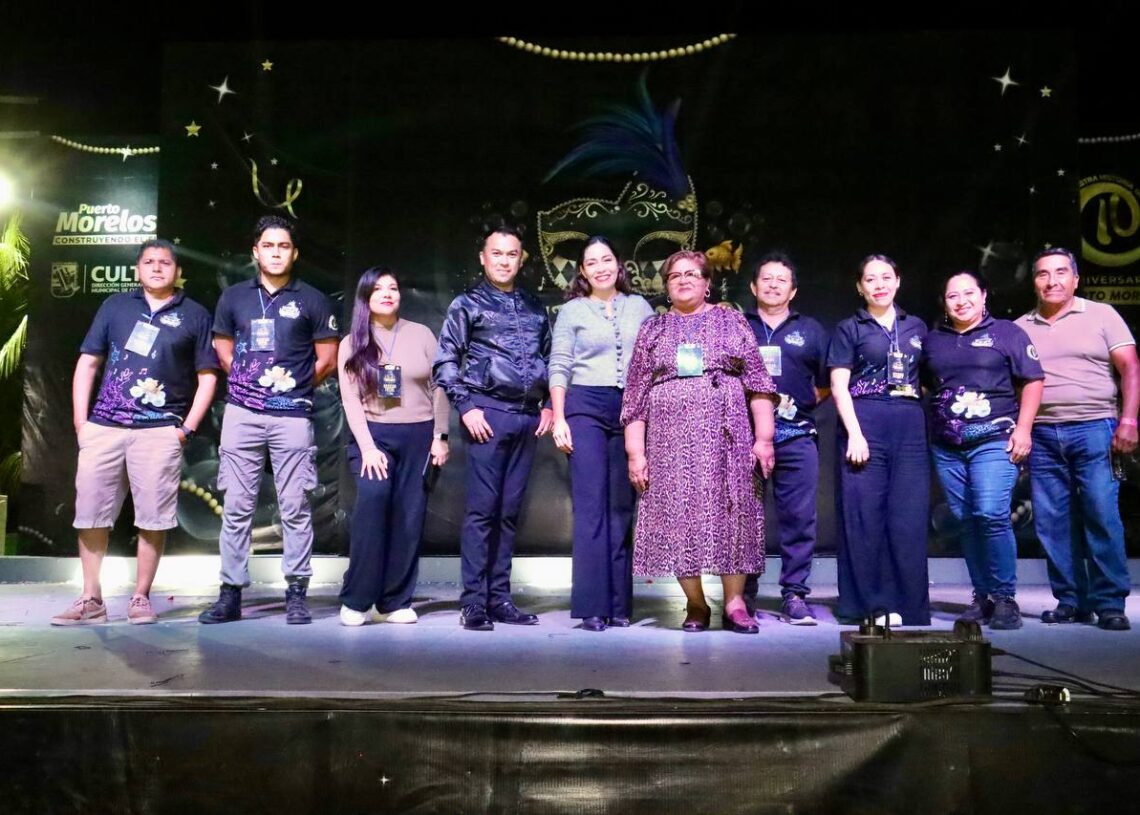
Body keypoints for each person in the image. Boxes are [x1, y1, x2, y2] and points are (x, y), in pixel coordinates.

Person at [52, 239, 218, 625]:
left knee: (153, 519)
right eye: (149, 262)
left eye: (165, 262)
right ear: (137, 269)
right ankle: (91, 598)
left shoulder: (194, 314)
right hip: (104, 427)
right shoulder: (115, 306)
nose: (157, 268)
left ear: (178, 271)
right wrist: (81, 423)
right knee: (91, 515)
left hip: (159, 432)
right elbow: (87, 363)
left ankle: (141, 597)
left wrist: (186, 429)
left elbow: (208, 376)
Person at [621, 249, 777, 634]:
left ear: (707, 283)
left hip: (727, 437)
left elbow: (758, 384)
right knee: (679, 517)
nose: (683, 280)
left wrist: (764, 438)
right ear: (666, 286)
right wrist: (636, 453)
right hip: (669, 442)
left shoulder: (730, 320)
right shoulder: (653, 330)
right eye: (675, 275)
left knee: (734, 512)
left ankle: (735, 604)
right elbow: (635, 397)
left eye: (692, 274)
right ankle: (696, 604)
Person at [199, 215, 339, 625]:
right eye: (268, 246)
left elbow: (327, 359)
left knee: (294, 505)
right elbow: (223, 348)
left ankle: (296, 592)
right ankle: (230, 593)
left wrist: (290, 389)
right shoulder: (234, 297)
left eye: (283, 246)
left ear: (294, 254)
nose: (276, 253)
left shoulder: (312, 299)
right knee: (236, 505)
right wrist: (250, 387)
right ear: (255, 252)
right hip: (242, 413)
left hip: (292, 415)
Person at [433, 226, 554, 631]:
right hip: (486, 414)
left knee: (508, 513)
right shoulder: (467, 304)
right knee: (482, 512)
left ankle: (500, 598)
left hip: (527, 418)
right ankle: (473, 602)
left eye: (512, 254)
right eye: (497, 253)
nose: (504, 260)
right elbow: (445, 361)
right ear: (483, 258)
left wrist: (549, 405)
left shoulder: (534, 306)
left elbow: (552, 359)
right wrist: (466, 407)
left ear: (521, 259)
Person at [1016, 247, 1138, 631]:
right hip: (1042, 433)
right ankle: (1070, 600)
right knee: (1051, 522)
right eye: (1043, 274)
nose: (1052, 281)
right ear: (1034, 281)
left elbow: (1131, 368)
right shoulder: (1020, 327)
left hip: (1095, 427)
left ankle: (1110, 602)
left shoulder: (1102, 315)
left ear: (1076, 278)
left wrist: (1129, 419)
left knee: (1101, 514)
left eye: (1061, 272)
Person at [923, 270, 1043, 630]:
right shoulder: (933, 341)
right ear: (944, 302)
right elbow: (926, 386)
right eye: (953, 296)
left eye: (969, 293)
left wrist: (1024, 429)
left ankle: (1005, 598)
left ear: (984, 295)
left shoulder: (1007, 333)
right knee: (967, 519)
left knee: (991, 513)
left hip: (995, 438)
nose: (962, 301)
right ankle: (983, 597)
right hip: (947, 446)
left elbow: (1033, 380)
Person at [549, 237, 655, 631]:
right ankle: (592, 605)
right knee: (592, 506)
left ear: (618, 264)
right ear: (582, 271)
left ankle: (619, 603)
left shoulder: (640, 307)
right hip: (585, 407)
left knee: (621, 508)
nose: (600, 268)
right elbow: (560, 364)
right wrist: (560, 417)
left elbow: (652, 361)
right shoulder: (572, 310)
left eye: (606, 259)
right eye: (591, 262)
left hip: (630, 408)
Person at [337, 268, 450, 626]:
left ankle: (394, 602)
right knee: (372, 507)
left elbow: (440, 386)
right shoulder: (352, 342)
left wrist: (440, 436)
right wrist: (368, 448)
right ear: (365, 297)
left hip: (419, 436)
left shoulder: (422, 334)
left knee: (408, 518)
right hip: (373, 437)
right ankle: (356, 600)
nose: (387, 293)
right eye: (378, 289)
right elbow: (350, 400)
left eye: (393, 287)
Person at [828, 254, 931, 626]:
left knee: (908, 516)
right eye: (870, 279)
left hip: (909, 425)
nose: (879, 285)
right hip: (865, 421)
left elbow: (928, 379)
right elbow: (838, 386)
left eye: (886, 277)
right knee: (864, 517)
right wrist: (855, 433)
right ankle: (867, 605)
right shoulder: (849, 328)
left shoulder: (916, 326)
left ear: (898, 281)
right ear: (860, 287)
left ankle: (910, 605)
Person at [742, 252, 830, 626]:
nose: (773, 285)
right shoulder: (738, 326)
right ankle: (743, 594)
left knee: (798, 519)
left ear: (792, 290)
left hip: (797, 436)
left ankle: (794, 595)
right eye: (766, 278)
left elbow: (826, 382)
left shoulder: (810, 330)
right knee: (744, 518)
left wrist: (798, 405)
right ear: (753, 286)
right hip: (744, 439)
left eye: (781, 280)